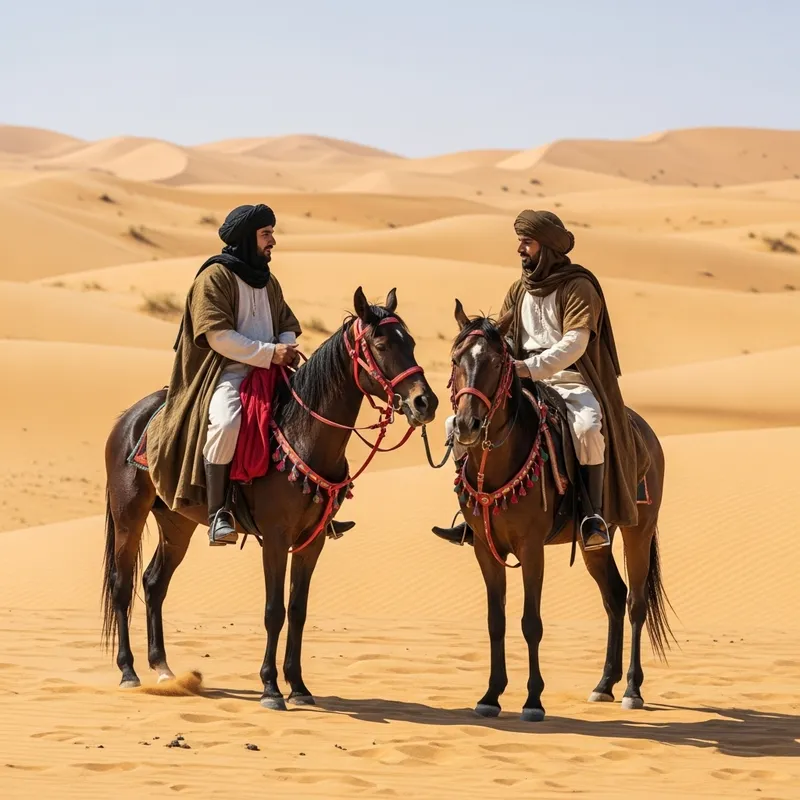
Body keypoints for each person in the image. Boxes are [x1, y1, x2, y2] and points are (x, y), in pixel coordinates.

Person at [432, 210, 639, 551]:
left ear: (546, 247)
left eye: (526, 243)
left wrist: (528, 367)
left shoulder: (579, 286)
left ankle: (592, 517)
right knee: (456, 425)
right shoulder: (519, 290)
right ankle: (470, 516)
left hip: (572, 380)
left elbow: (576, 342)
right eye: (519, 243)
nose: (520, 250)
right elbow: (504, 338)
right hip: (520, 379)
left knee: (587, 428)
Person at [147, 203, 353, 545]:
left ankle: (317, 510)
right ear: (246, 238)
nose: (272, 241)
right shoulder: (214, 278)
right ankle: (218, 513)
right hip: (224, 372)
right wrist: (270, 353)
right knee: (227, 422)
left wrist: (284, 347)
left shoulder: (267, 280)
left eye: (272, 232)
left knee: (315, 416)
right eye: (265, 234)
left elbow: (287, 323)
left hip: (272, 370)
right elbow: (217, 336)